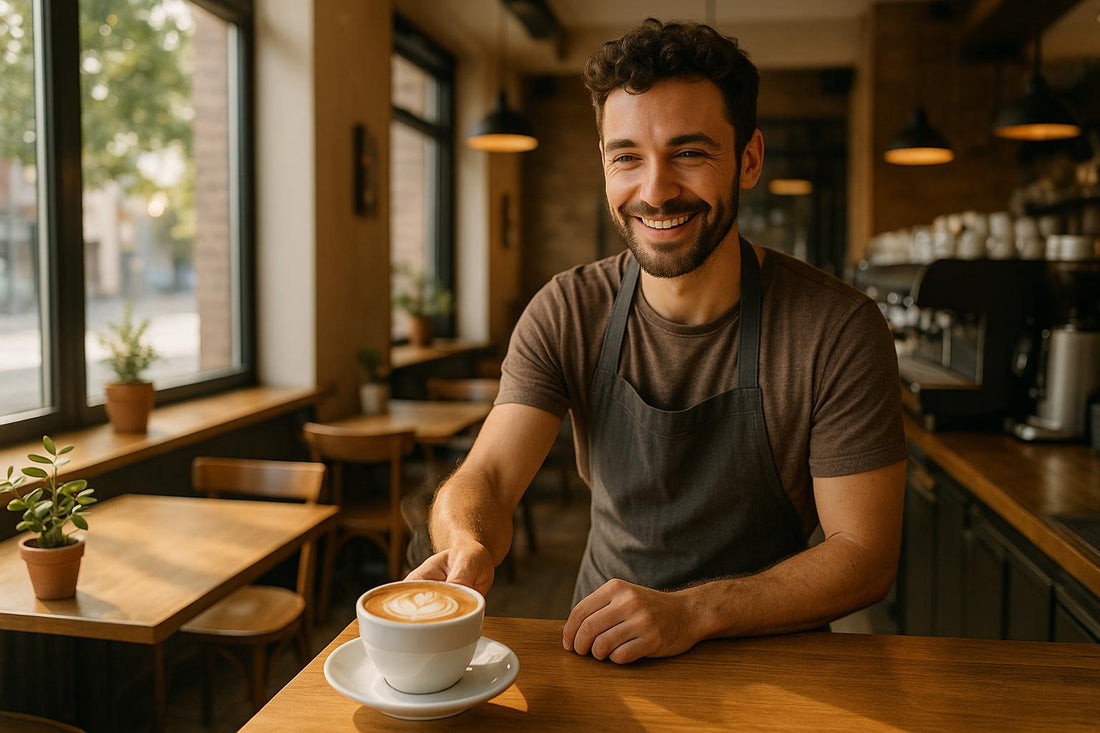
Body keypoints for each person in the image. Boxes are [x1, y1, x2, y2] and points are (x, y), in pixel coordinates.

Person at [408, 18, 907, 665]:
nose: (655, 189)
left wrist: (693, 611)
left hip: (775, 661)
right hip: (599, 649)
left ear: (748, 159)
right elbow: (490, 477)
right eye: (627, 157)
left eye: (690, 153)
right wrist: (466, 537)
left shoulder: (836, 329)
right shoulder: (567, 308)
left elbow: (864, 556)